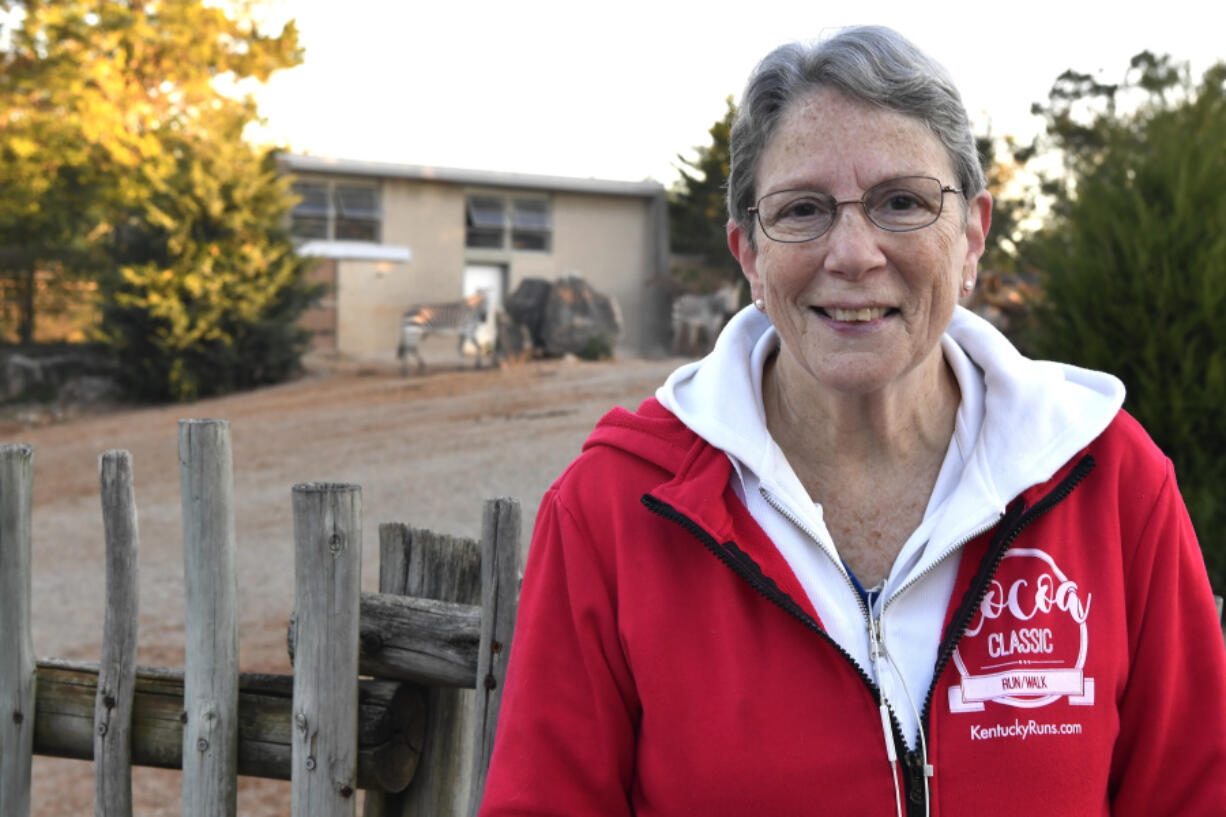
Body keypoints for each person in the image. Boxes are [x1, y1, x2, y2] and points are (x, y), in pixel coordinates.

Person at [477, 26, 1226, 817]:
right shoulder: (613, 513)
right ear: (749, 255)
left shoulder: (1111, 482)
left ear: (972, 234)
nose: (853, 252)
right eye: (802, 210)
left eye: (901, 201)